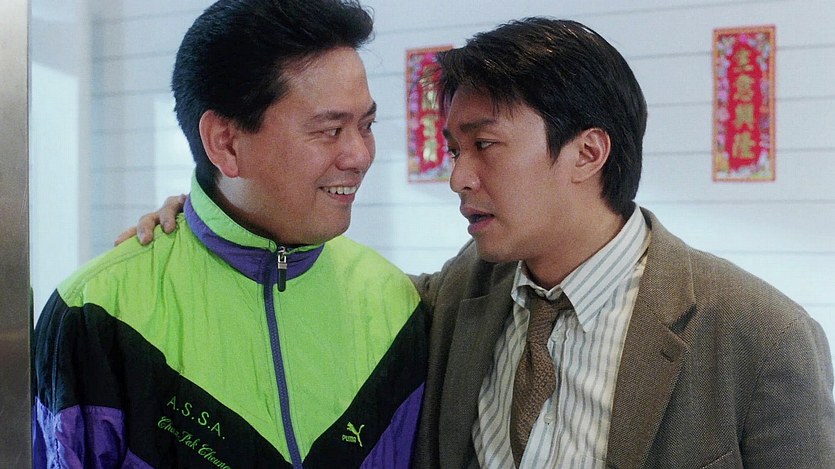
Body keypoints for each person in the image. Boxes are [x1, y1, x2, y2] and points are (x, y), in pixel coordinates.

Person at [132, 17, 835, 469]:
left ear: (587, 152)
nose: (458, 176)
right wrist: (217, 212)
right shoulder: (459, 295)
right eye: (453, 148)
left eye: (485, 145)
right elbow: (325, 280)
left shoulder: (758, 335)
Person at [32, 1, 426, 467]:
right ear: (225, 142)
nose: (359, 156)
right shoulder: (96, 312)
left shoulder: (396, 303)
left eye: (366, 126)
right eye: (330, 130)